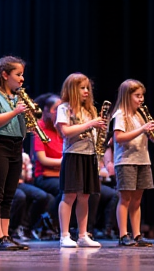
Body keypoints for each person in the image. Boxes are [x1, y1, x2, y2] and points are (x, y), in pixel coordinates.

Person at [0, 55, 29, 251]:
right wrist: (16, 112)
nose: (22, 79)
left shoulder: (17, 97)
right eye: (18, 74)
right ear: (4, 75)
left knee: (10, 194)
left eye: (22, 75)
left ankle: (6, 235)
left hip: (15, 146)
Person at [55, 72, 106, 248]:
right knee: (69, 195)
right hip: (73, 155)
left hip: (88, 155)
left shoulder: (90, 109)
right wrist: (90, 124)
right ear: (72, 89)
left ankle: (83, 234)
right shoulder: (64, 108)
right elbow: (66, 132)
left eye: (87, 88)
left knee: (85, 196)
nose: (86, 91)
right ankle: (64, 235)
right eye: (82, 88)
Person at [111, 79, 154, 247]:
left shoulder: (139, 115)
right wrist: (142, 129)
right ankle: (123, 234)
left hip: (143, 160)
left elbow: (143, 135)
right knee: (125, 198)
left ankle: (137, 234)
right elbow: (119, 138)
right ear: (127, 96)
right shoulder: (121, 114)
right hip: (126, 161)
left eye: (142, 96)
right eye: (137, 96)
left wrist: (152, 135)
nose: (141, 99)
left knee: (137, 200)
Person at [33, 93, 63, 233]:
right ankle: (49, 223)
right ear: (46, 110)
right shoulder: (39, 128)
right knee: (65, 189)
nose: (59, 113)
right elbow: (42, 159)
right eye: (56, 109)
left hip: (61, 174)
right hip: (45, 176)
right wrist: (64, 161)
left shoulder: (62, 128)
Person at [9, 151, 53, 240]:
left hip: (20, 183)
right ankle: (13, 228)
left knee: (42, 196)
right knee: (20, 196)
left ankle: (27, 227)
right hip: (7, 183)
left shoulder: (23, 155)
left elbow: (27, 175)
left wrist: (27, 172)